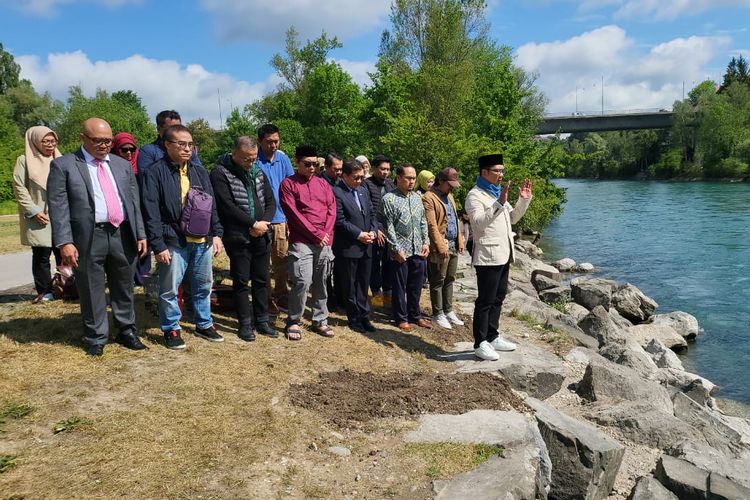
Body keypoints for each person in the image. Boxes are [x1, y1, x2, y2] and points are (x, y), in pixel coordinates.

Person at [47, 118, 148, 356]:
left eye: (108, 141)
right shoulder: (64, 165)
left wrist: (140, 233)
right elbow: (58, 207)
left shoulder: (122, 165)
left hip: (122, 232)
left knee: (124, 285)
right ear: (83, 138)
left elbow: (134, 203)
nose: (104, 145)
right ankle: (96, 336)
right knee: (91, 287)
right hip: (88, 236)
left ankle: (126, 330)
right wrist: (65, 242)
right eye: (98, 140)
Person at [141, 124, 224, 350]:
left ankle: (204, 323)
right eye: (182, 144)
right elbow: (151, 212)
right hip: (173, 241)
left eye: (190, 145)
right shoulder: (155, 172)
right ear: (168, 145)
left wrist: (216, 234)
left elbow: (211, 205)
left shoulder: (199, 171)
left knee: (203, 285)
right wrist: (158, 245)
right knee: (169, 288)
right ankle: (171, 328)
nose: (187, 149)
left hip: (202, 241)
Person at [465, 153, 532, 361]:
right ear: (484, 172)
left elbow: (512, 218)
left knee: (498, 297)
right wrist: (499, 203)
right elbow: (477, 222)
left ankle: (493, 336)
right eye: (497, 171)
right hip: (487, 255)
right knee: (485, 300)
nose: (501, 175)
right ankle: (480, 342)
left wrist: (524, 199)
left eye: (502, 171)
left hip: (504, 254)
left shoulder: (496, 193)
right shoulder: (475, 195)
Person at [210, 136, 277, 341]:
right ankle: (245, 323)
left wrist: (263, 223)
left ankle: (262, 320)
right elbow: (226, 205)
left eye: (254, 158)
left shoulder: (258, 172)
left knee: (261, 279)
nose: (251, 162)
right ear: (235, 154)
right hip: (238, 236)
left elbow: (271, 202)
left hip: (262, 234)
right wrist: (251, 224)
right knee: (240, 280)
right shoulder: (221, 173)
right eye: (247, 159)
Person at [279, 145, 336, 340]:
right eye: (307, 164)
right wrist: (316, 234)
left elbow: (332, 209)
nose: (312, 168)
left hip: (324, 241)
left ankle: (320, 319)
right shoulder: (288, 184)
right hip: (302, 241)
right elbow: (293, 215)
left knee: (322, 281)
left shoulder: (323, 184)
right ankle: (294, 320)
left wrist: (325, 233)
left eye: (315, 164)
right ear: (297, 163)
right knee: (302, 281)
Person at [13, 126, 62, 304]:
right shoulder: (24, 160)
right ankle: (44, 290)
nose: (50, 145)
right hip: (39, 216)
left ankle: (65, 286)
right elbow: (19, 188)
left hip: (60, 214)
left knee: (63, 251)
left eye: (53, 140)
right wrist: (33, 211)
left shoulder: (60, 158)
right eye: (46, 141)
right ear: (35, 141)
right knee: (42, 254)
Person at [382, 164, 431, 332]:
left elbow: (423, 222)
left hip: (418, 248)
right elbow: (388, 227)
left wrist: (426, 243)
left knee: (416, 286)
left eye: (414, 178)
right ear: (399, 178)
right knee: (400, 286)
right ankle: (401, 317)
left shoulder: (417, 198)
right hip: (400, 252)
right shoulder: (389, 199)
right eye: (408, 178)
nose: (412, 181)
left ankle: (415, 315)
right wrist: (396, 249)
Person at [332, 160, 378, 333]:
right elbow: (340, 220)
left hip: (367, 245)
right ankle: (354, 318)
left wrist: (373, 231)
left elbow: (372, 214)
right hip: (349, 246)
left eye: (361, 177)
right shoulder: (337, 192)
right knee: (350, 285)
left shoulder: (363, 190)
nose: (359, 181)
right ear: (345, 176)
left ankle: (364, 316)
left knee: (363, 283)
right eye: (356, 178)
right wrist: (359, 234)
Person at [256, 123, 295, 315]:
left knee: (281, 260)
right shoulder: (253, 160)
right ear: (260, 141)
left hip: (280, 218)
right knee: (262, 261)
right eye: (269, 142)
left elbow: (291, 186)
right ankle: (266, 298)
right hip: (260, 219)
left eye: (276, 141)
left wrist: (290, 217)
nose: (273, 145)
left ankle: (281, 294)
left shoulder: (283, 159)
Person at [423, 167, 465, 329]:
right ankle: (437, 313)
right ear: (441, 181)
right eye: (450, 184)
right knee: (438, 279)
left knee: (450, 279)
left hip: (453, 244)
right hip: (440, 246)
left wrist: (460, 240)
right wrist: (440, 246)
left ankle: (448, 310)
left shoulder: (451, 197)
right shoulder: (429, 197)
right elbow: (431, 225)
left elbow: (456, 218)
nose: (452, 188)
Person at [111, 132, 150, 286]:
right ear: (116, 150)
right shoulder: (110, 168)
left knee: (145, 245)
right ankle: (129, 277)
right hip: (124, 215)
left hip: (142, 211)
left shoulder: (141, 167)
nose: (128, 153)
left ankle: (143, 277)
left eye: (132, 149)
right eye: (124, 149)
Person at [363, 155, 396, 306]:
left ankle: (388, 295)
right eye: (382, 169)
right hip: (374, 229)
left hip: (390, 231)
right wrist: (377, 229)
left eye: (388, 169)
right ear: (375, 168)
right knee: (375, 264)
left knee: (389, 262)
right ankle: (376, 294)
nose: (385, 172)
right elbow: (369, 210)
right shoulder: (366, 185)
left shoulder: (390, 185)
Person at [137, 110, 201, 177]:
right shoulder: (148, 151)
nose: (175, 132)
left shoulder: (188, 150)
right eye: (171, 129)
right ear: (158, 129)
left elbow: (200, 174)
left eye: (178, 128)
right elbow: (147, 179)